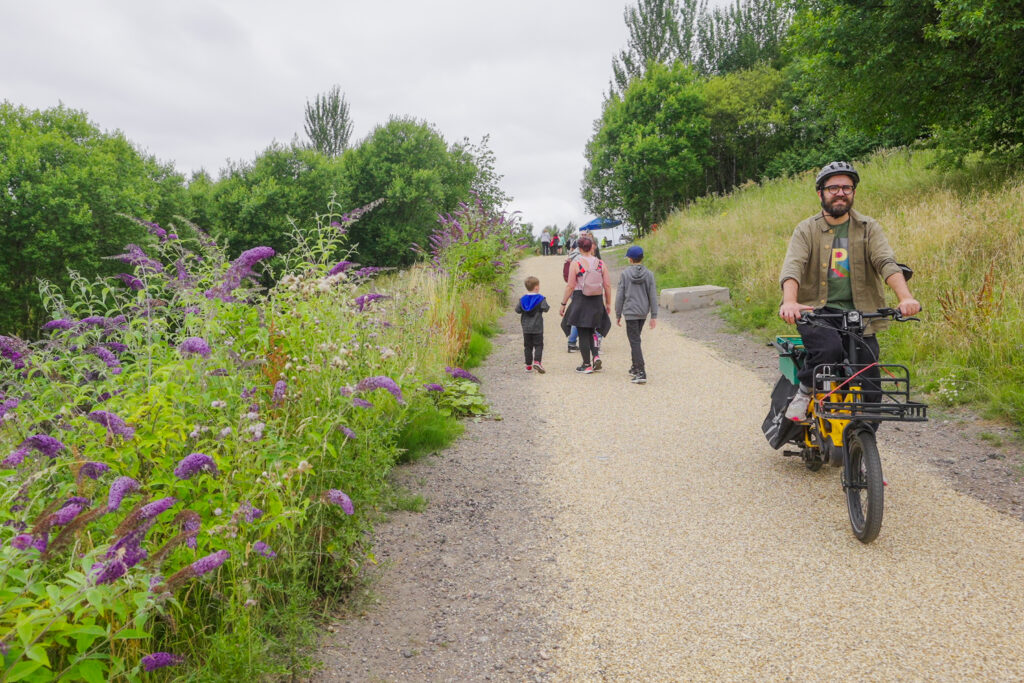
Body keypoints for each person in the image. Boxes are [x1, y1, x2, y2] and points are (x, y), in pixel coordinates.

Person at [779, 160, 921, 421]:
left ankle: (862, 445)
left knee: (870, 383)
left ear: (853, 192)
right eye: (833, 187)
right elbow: (793, 267)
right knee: (828, 351)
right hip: (817, 311)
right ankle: (805, 390)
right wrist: (790, 301)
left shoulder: (868, 228)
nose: (841, 192)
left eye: (847, 187)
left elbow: (885, 262)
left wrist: (905, 297)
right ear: (820, 192)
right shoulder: (806, 229)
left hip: (860, 313)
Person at [560, 235, 611, 374]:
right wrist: (608, 304)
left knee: (583, 332)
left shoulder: (576, 264)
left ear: (580, 248)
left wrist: (563, 303)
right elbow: (607, 285)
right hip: (596, 300)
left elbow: (570, 286)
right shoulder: (601, 263)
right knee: (592, 330)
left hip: (581, 299)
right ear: (591, 247)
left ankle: (586, 364)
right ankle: (595, 356)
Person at [615, 245, 658, 384]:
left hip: (630, 311)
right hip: (642, 312)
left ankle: (641, 371)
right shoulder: (649, 274)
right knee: (636, 338)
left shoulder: (625, 274)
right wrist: (654, 315)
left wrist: (618, 313)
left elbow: (620, 295)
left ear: (630, 259)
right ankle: (634, 366)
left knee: (634, 341)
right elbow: (653, 295)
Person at [515, 275, 550, 373]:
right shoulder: (541, 298)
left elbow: (517, 310)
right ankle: (537, 362)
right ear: (536, 287)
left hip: (526, 328)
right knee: (538, 345)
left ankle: (528, 366)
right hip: (537, 327)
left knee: (528, 346)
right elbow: (546, 308)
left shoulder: (522, 299)